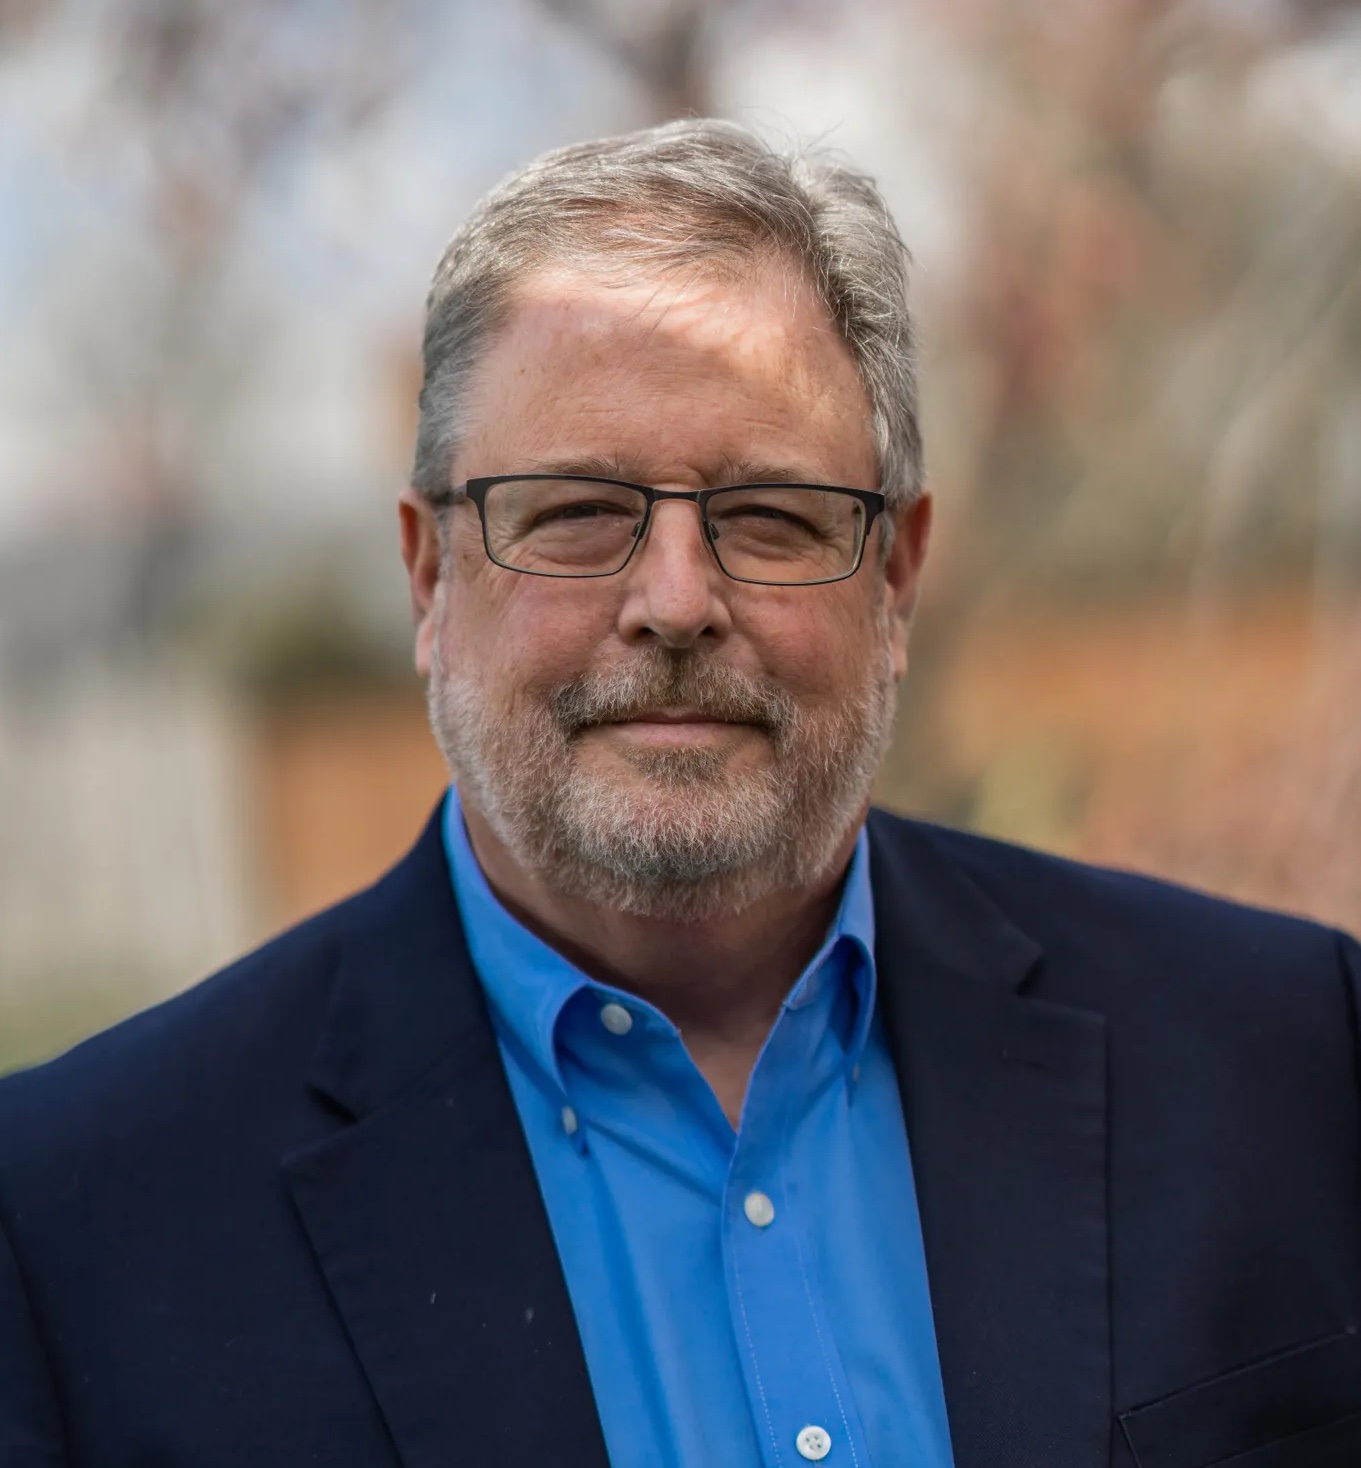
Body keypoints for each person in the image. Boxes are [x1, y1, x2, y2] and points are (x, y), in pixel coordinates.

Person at [2, 118, 1360, 1468]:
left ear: (894, 581)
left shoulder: (1288, 1062)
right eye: (576, 511)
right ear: (428, 579)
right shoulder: (77, 1226)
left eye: (770, 515)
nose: (672, 604)